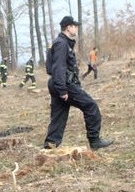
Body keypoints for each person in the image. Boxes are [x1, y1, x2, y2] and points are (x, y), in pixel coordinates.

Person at [43, 16, 113, 150]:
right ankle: (95, 141)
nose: (76, 28)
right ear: (68, 27)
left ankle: (50, 145)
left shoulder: (59, 43)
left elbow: (50, 68)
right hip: (64, 84)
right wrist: (62, 89)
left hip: (58, 83)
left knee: (58, 115)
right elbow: (58, 68)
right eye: (74, 26)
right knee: (91, 107)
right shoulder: (62, 44)